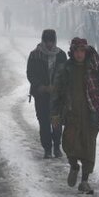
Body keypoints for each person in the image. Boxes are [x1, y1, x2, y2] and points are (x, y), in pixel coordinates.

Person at [51, 38, 99, 194]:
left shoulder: (92, 69)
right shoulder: (65, 69)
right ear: (72, 52)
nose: (79, 54)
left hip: (91, 115)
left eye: (82, 51)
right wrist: (54, 114)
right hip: (71, 114)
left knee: (89, 147)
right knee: (69, 144)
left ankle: (85, 181)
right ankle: (74, 166)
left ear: (85, 52)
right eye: (77, 51)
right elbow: (57, 92)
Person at [27, 29, 67, 159]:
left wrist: (58, 87)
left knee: (57, 121)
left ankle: (56, 146)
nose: (49, 44)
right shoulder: (34, 55)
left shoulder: (61, 55)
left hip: (57, 95)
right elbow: (30, 74)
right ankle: (47, 148)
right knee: (44, 122)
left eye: (51, 41)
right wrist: (41, 87)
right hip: (41, 94)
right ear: (43, 40)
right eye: (47, 41)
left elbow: (65, 74)